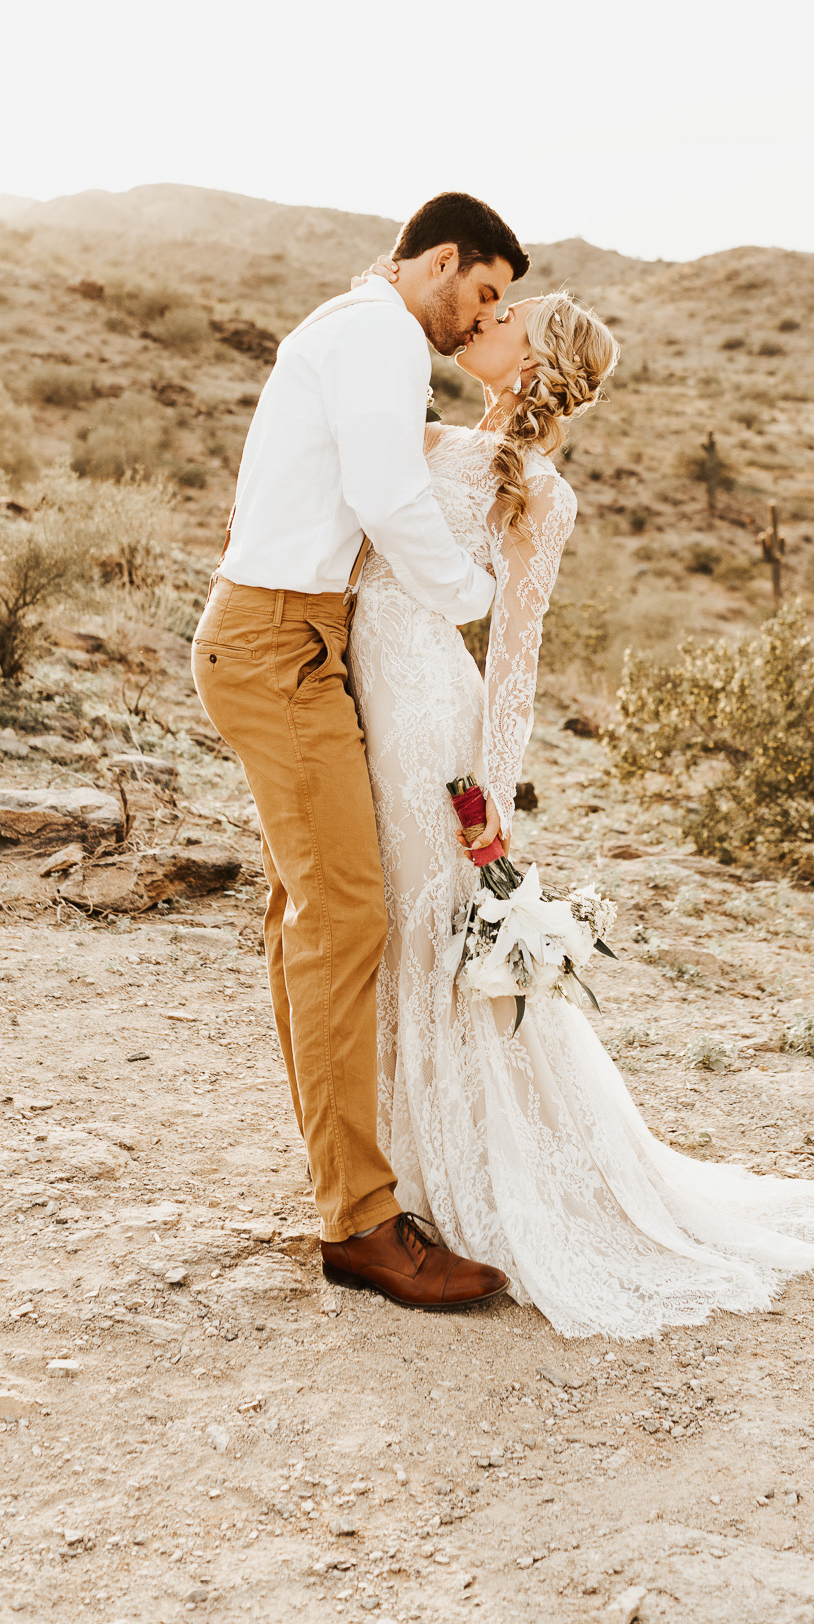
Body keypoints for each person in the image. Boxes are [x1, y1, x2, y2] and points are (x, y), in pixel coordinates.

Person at [347, 263, 814, 1337]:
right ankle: (389, 1165)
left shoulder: (538, 485)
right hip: (367, 683)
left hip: (427, 714)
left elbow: (516, 655)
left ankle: (452, 1178)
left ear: (530, 359)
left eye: (508, 317)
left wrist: (491, 797)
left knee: (430, 928)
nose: (485, 318)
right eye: (487, 304)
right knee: (387, 925)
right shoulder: (434, 427)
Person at [191, 192, 530, 1312]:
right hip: (276, 635)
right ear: (438, 261)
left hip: (293, 632)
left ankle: (342, 1188)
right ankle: (358, 1219)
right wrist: (471, 593)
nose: (478, 315)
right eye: (481, 292)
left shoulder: (354, 327)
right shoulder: (379, 332)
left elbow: (392, 469)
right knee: (343, 913)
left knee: (312, 909)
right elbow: (388, 496)